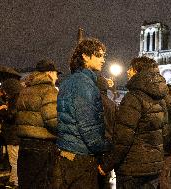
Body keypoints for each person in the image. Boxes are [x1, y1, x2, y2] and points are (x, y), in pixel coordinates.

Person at [100, 56, 168, 189]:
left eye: (130, 69)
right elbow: (165, 132)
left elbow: (123, 138)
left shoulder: (133, 98)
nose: (127, 72)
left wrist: (107, 165)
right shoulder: (161, 100)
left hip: (133, 168)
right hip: (153, 167)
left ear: (137, 71)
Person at [53, 38, 112, 188]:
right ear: (85, 56)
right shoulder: (85, 84)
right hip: (81, 156)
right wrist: (106, 147)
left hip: (67, 151)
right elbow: (89, 127)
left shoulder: (68, 81)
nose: (103, 60)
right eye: (99, 55)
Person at [16, 59, 59, 189]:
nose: (57, 77)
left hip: (24, 145)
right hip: (43, 147)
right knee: (43, 183)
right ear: (50, 73)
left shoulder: (25, 90)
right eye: (57, 74)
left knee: (27, 182)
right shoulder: (49, 90)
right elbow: (53, 120)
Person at [0, 79, 23, 188]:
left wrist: (2, 110)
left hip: (13, 135)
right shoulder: (19, 97)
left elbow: (11, 115)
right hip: (15, 134)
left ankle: (15, 181)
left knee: (13, 160)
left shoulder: (14, 99)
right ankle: (13, 179)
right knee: (14, 159)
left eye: (4, 90)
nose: (3, 92)